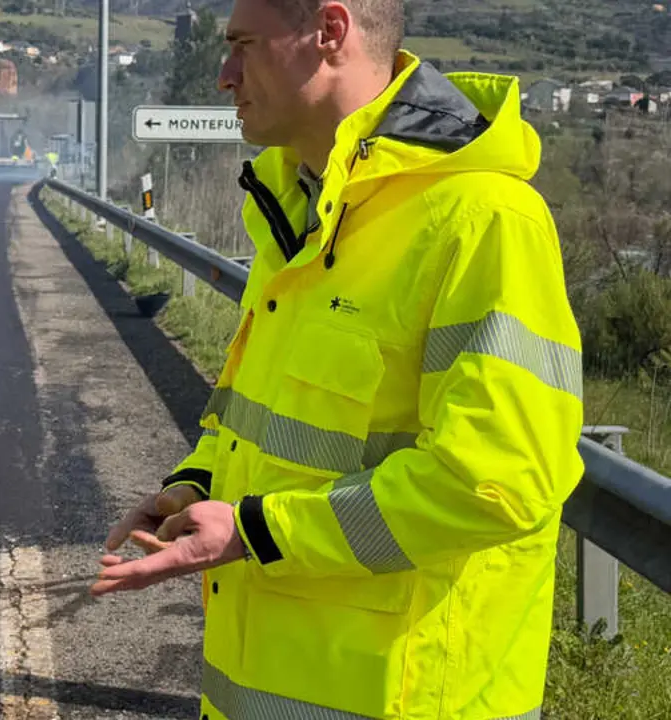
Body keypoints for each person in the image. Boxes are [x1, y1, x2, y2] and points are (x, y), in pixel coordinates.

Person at [91, 1, 583, 718]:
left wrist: (255, 530)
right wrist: (197, 485)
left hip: (400, 697)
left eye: (244, 46)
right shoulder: (299, 207)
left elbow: (496, 482)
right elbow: (262, 419)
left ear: (330, 31)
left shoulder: (482, 220)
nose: (224, 75)